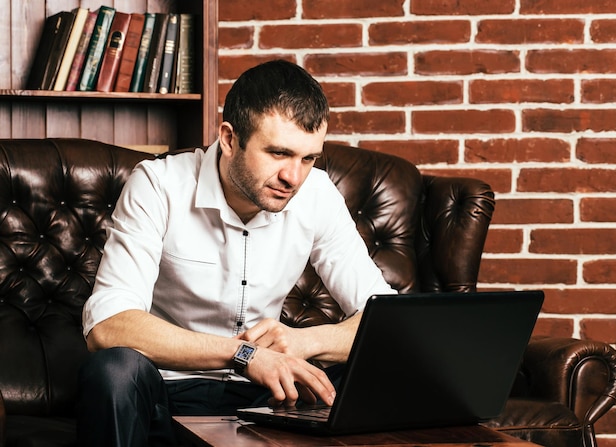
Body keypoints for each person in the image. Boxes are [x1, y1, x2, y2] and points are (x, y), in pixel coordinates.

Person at [77, 59, 395, 446]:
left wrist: (305, 342)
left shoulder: (318, 194)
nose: (293, 177)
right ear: (229, 139)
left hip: (271, 400)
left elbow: (387, 323)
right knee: (114, 370)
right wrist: (243, 355)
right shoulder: (158, 185)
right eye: (278, 153)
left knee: (381, 366)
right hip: (165, 394)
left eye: (308, 158)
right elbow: (108, 326)